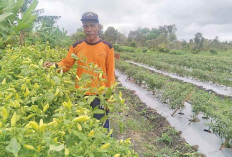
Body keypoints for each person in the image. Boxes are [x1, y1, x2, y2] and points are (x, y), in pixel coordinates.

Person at [44, 12, 115, 130]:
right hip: (81, 94)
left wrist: (109, 96)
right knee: (81, 128)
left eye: (92, 25)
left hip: (100, 95)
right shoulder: (77, 46)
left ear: (98, 27)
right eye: (86, 26)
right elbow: (66, 65)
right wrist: (53, 65)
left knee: (102, 128)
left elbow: (110, 73)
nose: (89, 29)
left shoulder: (107, 47)